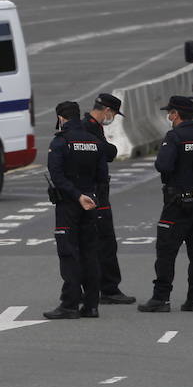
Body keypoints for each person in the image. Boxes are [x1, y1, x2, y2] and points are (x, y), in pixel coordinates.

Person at [139, 96, 193, 313]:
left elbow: (163, 165)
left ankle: (161, 299)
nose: (168, 116)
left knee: (166, 251)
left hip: (177, 202)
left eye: (169, 112)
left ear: (176, 114)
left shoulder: (175, 136)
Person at [42, 100, 107, 320]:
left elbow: (57, 176)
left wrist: (77, 196)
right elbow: (102, 176)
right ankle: (91, 305)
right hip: (91, 202)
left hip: (70, 204)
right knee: (90, 253)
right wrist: (91, 196)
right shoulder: (94, 141)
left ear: (61, 118)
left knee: (69, 253)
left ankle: (69, 304)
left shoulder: (60, 142)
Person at [83, 93, 136, 305]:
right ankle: (109, 289)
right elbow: (107, 152)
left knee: (93, 242)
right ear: (106, 110)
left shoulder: (91, 126)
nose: (112, 117)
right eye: (113, 113)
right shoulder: (88, 128)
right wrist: (110, 149)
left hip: (92, 189)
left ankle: (94, 288)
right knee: (105, 242)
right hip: (95, 191)